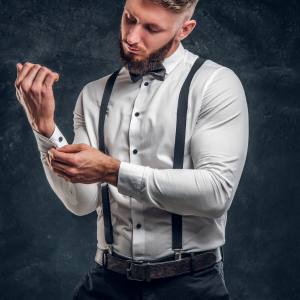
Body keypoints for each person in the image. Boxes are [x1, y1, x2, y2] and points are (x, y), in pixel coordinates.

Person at [14, 0, 249, 299]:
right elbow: (81, 202)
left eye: (151, 28)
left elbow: (216, 193)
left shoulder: (215, 84)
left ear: (184, 30)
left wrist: (113, 171)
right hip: (105, 283)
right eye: (130, 18)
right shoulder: (94, 94)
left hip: (190, 286)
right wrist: (44, 127)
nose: (132, 37)